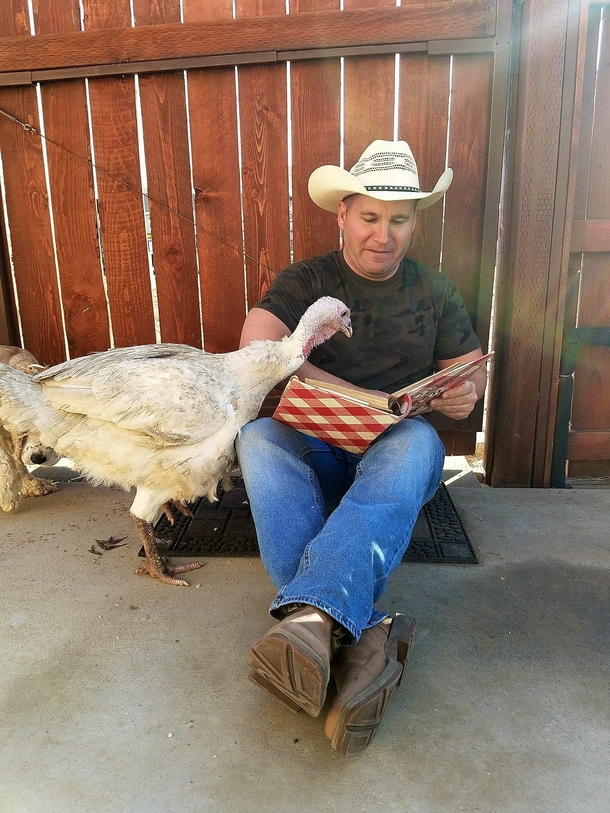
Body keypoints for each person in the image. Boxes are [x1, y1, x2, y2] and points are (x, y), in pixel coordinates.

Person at [235, 139, 487, 755]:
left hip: (393, 455)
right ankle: (365, 636)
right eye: (370, 217)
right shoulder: (306, 280)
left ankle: (313, 620)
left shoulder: (435, 288)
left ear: (414, 222)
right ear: (342, 215)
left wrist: (465, 393)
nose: (384, 234)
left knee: (419, 440)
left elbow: (468, 371)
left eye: (399, 220)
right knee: (259, 436)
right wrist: (349, 393)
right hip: (315, 446)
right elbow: (253, 352)